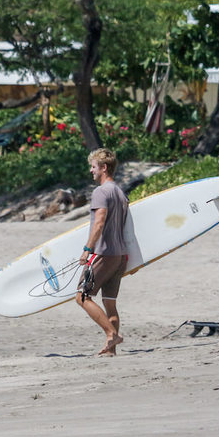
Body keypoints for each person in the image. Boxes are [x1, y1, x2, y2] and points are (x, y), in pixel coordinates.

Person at [76, 148, 129, 356]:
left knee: (82, 296)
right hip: (120, 254)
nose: (91, 171)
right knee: (109, 302)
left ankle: (111, 334)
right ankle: (111, 350)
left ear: (104, 168)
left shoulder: (101, 192)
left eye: (94, 167)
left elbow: (99, 223)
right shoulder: (119, 192)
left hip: (103, 253)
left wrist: (87, 250)